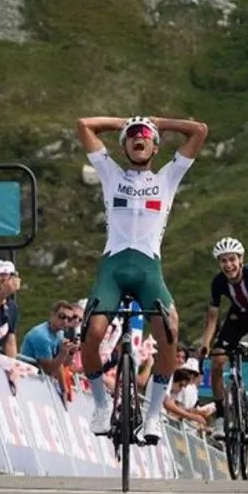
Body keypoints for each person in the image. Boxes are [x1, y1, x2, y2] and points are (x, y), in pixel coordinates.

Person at [76, 114, 208, 444]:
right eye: (132, 135)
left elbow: (199, 131)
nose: (139, 137)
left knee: (170, 331)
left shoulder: (168, 177)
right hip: (113, 270)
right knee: (91, 332)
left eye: (145, 135)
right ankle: (102, 405)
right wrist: (126, 121)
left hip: (149, 270)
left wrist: (157, 122)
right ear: (123, 145)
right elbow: (84, 125)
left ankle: (152, 416)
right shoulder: (110, 174)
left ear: (155, 146)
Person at [198, 237, 248, 450]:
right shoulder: (218, 282)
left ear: (240, 260)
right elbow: (213, 317)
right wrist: (206, 343)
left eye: (232, 259)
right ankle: (221, 418)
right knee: (216, 362)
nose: (228, 265)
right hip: (237, 317)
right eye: (223, 261)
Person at [20, 300, 78, 381]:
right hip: (26, 377)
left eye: (69, 319)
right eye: (62, 316)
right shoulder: (41, 335)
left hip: (38, 378)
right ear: (52, 315)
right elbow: (49, 370)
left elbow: (63, 365)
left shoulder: (60, 333)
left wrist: (71, 352)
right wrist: (63, 352)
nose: (65, 321)